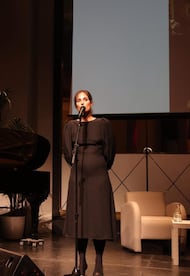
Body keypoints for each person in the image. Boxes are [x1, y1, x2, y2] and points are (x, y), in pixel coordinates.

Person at [63, 90, 117, 276]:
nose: (82, 103)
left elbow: (110, 153)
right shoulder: (71, 126)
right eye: (78, 100)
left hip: (98, 178)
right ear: (75, 106)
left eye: (85, 99)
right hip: (78, 178)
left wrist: (98, 165)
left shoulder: (103, 124)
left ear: (91, 103)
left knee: (98, 221)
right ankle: (81, 261)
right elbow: (68, 154)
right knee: (81, 219)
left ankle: (99, 264)